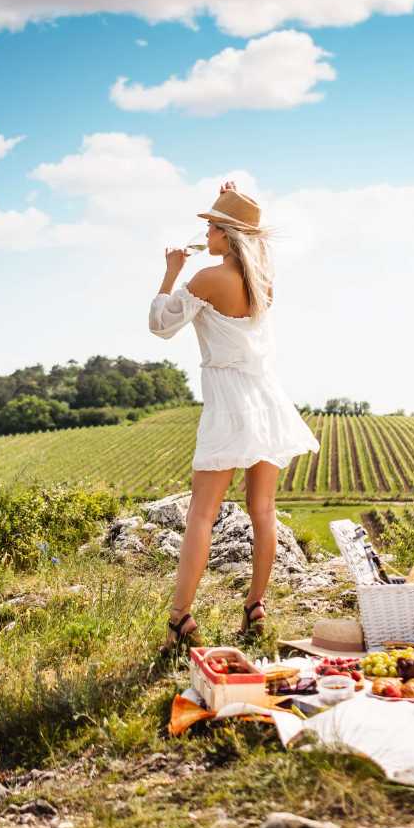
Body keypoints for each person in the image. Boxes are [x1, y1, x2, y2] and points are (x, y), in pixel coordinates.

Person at [149, 180, 320, 652]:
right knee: (263, 510)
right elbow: (253, 258)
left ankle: (180, 620)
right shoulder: (262, 280)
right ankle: (255, 607)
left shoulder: (205, 278)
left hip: (228, 400)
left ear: (226, 233)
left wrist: (170, 272)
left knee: (201, 513)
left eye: (211, 227)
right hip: (267, 398)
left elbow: (161, 326)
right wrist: (237, 202)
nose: (205, 235)